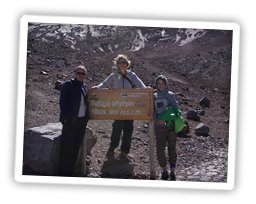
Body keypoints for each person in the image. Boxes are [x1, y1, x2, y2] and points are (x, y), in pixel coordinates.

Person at [92, 54, 146, 159]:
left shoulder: (132, 75)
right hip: (118, 106)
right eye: (120, 63)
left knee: (128, 129)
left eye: (124, 63)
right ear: (118, 64)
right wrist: (97, 87)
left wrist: (146, 88)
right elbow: (105, 84)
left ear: (127, 64)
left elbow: (140, 85)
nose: (122, 64)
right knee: (117, 127)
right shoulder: (114, 75)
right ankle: (112, 148)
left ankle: (125, 151)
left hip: (130, 106)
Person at [58, 65, 89, 176]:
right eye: (79, 73)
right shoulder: (68, 85)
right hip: (70, 122)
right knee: (67, 147)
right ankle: (63, 172)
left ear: (85, 75)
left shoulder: (84, 87)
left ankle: (70, 172)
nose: (80, 75)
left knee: (76, 147)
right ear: (75, 73)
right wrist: (66, 119)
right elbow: (63, 102)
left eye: (83, 73)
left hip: (81, 122)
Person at [153, 74, 178, 181]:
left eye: (162, 83)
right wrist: (157, 120)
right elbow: (152, 111)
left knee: (172, 149)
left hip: (170, 126)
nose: (161, 85)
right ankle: (164, 170)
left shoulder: (171, 95)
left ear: (166, 84)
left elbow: (176, 111)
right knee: (160, 150)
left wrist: (166, 119)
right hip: (159, 127)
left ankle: (173, 171)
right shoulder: (154, 96)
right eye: (159, 83)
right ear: (156, 84)